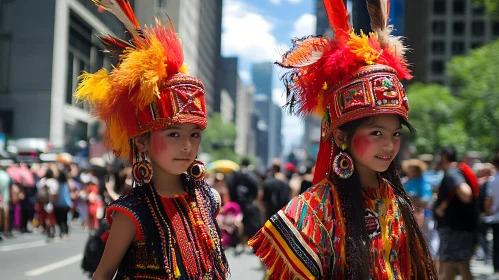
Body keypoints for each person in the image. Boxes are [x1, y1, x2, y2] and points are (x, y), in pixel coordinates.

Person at [248, 0, 436, 278]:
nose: (388, 145)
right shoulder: (310, 211)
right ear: (340, 135)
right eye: (376, 133)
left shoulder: (397, 201)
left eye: (395, 134)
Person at [74, 2, 228, 279]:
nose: (187, 146)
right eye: (173, 134)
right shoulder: (130, 213)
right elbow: (103, 274)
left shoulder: (209, 199)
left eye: (194, 135)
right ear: (142, 141)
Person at [433, 146, 479, 280]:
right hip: (461, 228)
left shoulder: (452, 172)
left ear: (444, 156)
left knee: (455, 266)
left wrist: (441, 207)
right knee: (455, 268)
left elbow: (466, 194)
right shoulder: (459, 170)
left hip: (453, 229)